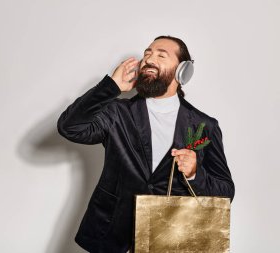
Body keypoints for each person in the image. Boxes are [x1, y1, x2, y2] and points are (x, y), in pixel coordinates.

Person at [57, 35, 235, 253]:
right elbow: (69, 127)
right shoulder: (117, 113)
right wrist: (110, 87)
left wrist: (195, 174)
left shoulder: (204, 125)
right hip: (112, 237)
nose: (150, 59)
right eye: (147, 54)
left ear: (183, 71)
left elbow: (226, 193)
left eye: (161, 55)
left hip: (172, 240)